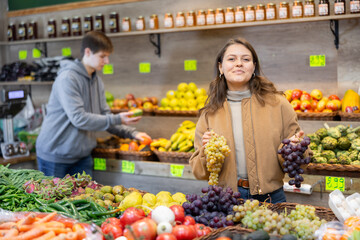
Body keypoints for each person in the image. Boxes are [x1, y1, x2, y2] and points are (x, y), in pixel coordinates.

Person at [189, 37, 308, 204]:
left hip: (271, 198)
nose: (239, 63)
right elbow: (199, 172)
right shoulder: (210, 113)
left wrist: (294, 148)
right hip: (226, 200)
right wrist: (206, 152)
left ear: (253, 67)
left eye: (245, 59)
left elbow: (297, 162)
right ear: (220, 67)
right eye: (231, 59)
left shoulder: (278, 104)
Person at [36, 31, 151, 178]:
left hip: (82, 157)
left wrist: (133, 133)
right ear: (88, 52)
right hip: (56, 156)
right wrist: (118, 118)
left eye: (108, 56)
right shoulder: (68, 79)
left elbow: (105, 118)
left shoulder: (97, 82)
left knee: (85, 199)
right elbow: (79, 118)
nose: (107, 61)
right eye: (103, 56)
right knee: (52, 200)